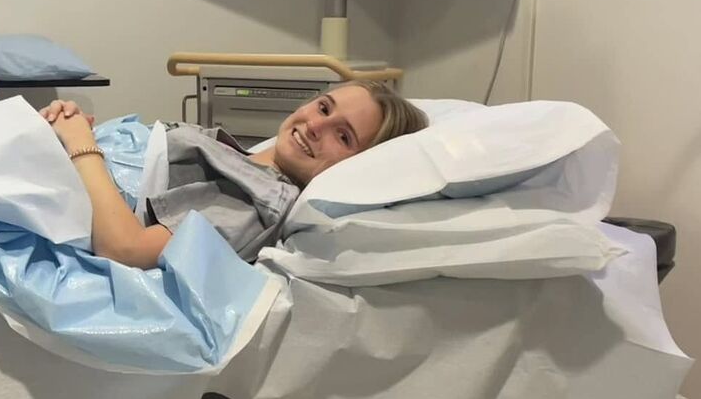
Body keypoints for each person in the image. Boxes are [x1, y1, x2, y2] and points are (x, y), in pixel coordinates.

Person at [40, 80, 429, 269]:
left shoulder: (257, 203)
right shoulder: (240, 158)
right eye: (324, 108)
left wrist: (81, 144)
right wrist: (78, 129)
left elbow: (126, 250)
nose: (315, 126)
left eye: (343, 136)